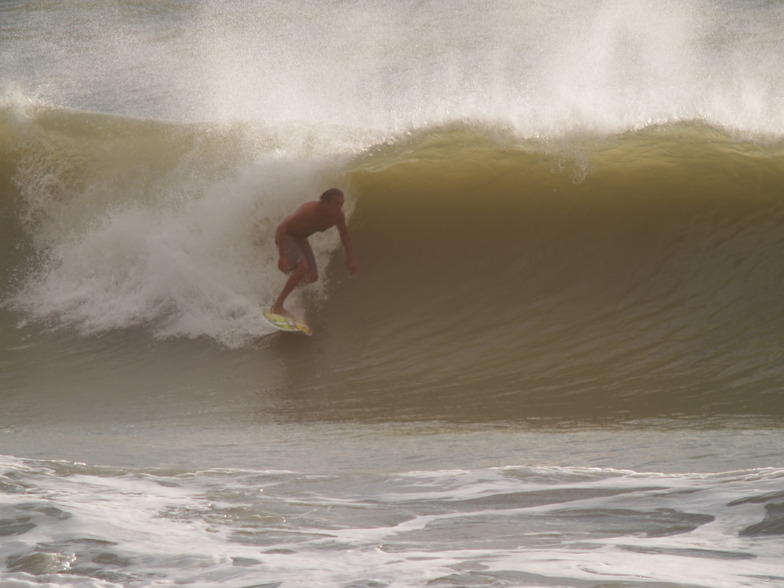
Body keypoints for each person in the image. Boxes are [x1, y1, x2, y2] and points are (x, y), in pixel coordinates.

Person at [270, 188, 358, 318]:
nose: (340, 207)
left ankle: (280, 293)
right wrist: (282, 255)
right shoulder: (309, 210)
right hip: (286, 235)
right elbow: (282, 227)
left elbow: (344, 234)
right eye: (336, 203)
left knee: (312, 276)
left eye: (342, 203)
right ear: (325, 202)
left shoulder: (338, 216)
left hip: (301, 239)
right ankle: (277, 306)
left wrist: (350, 258)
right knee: (303, 267)